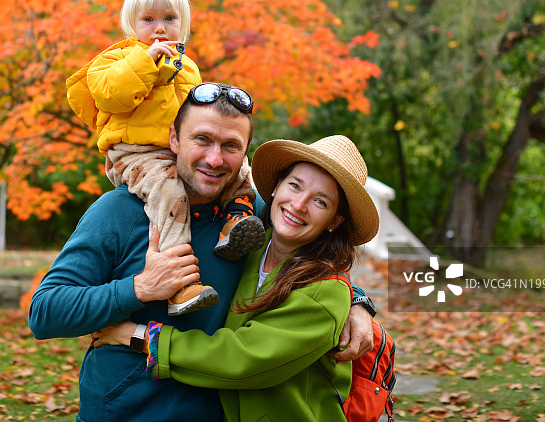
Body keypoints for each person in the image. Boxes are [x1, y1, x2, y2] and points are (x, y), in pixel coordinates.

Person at [28, 89, 378, 422]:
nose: (214, 158)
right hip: (124, 412)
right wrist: (138, 288)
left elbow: (306, 261)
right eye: (202, 140)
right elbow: (45, 312)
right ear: (174, 139)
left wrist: (357, 301)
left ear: (245, 153)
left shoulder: (247, 219)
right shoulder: (119, 212)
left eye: (230, 146)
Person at [94, 135, 380, 422]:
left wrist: (139, 337)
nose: (299, 204)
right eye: (295, 185)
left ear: (334, 221)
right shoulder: (247, 242)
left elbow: (241, 359)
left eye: (320, 201)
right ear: (277, 186)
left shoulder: (326, 292)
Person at [64, 0, 265, 316]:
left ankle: (236, 221)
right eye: (148, 19)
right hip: (135, 152)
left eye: (169, 19)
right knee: (171, 194)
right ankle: (180, 283)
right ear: (132, 23)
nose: (159, 28)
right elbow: (112, 94)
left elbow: (197, 118)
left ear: (182, 25)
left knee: (242, 169)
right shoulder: (115, 60)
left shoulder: (187, 67)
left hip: (177, 150)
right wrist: (146, 61)